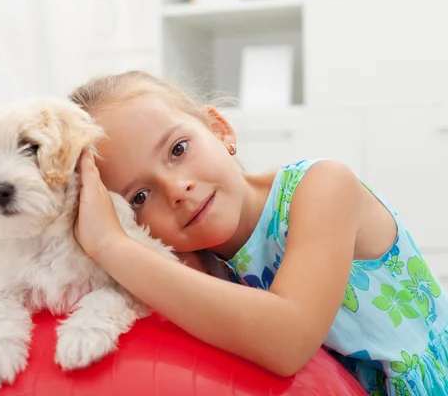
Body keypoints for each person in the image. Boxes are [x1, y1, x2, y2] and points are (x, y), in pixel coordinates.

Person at [68, 70, 448, 395]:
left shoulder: (323, 187)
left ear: (220, 130)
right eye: (139, 197)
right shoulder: (190, 262)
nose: (176, 189)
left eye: (178, 149)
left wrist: (110, 245)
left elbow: (289, 341)